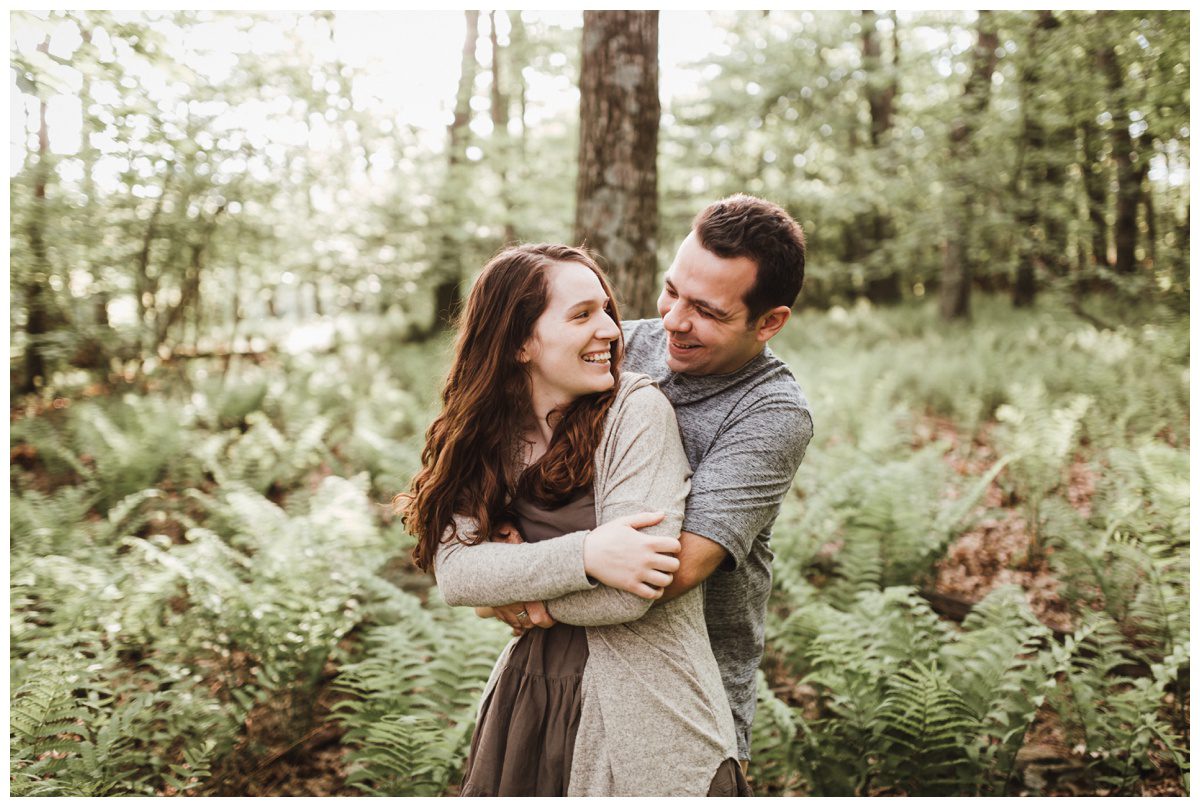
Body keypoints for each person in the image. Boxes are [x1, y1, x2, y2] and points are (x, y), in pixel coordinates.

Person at [399, 243, 747, 797]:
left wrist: (514, 592)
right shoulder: (483, 433)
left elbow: (633, 594)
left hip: (650, 708)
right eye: (582, 315)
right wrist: (587, 556)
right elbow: (458, 575)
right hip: (529, 700)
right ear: (519, 342)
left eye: (606, 309)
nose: (612, 329)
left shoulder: (636, 411)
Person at [484, 195, 813, 771]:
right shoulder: (614, 347)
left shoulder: (771, 413)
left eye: (707, 312)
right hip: (555, 677)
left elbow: (672, 570)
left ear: (770, 323)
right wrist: (501, 536)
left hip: (680, 697)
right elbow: (503, 459)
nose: (673, 320)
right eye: (672, 290)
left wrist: (520, 589)